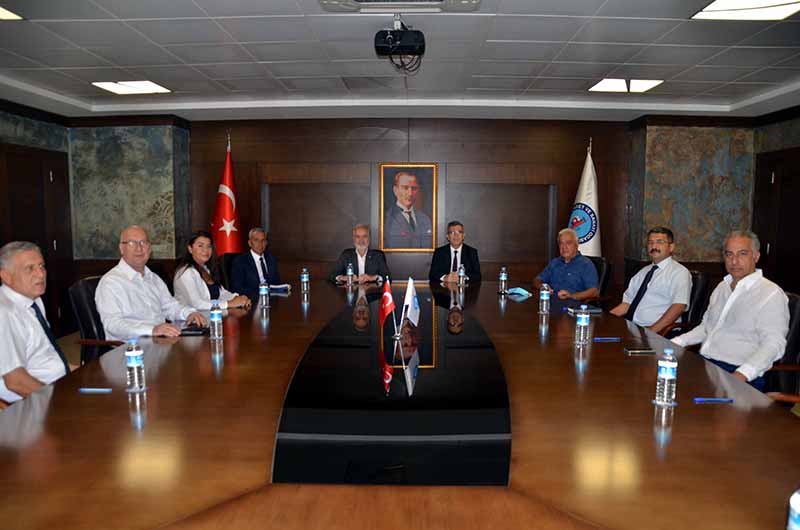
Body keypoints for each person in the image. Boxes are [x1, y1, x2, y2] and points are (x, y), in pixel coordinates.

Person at [671, 230, 789, 391]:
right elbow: (706, 328)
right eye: (729, 254)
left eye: (742, 254)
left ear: (756, 257)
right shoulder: (722, 287)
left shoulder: (771, 293)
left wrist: (741, 374)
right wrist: (673, 344)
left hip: (740, 374)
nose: (734, 261)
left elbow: (774, 344)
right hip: (707, 365)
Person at [95, 225, 207, 341]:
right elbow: (113, 325)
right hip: (130, 347)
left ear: (149, 248)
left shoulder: (153, 278)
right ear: (121, 248)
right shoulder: (110, 282)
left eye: (143, 242)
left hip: (160, 342)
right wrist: (152, 330)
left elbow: (170, 306)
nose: (139, 248)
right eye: (132, 243)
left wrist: (189, 313)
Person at [0, 241, 74, 404]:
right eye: (30, 268)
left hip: (57, 384)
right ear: (6, 276)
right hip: (31, 402)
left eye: (41, 266)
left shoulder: (34, 301)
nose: (41, 274)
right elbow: (16, 382)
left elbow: (43, 356)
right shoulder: (5, 313)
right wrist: (60, 402)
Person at [609, 227, 692, 333]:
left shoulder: (679, 272)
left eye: (659, 242)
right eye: (650, 242)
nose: (654, 246)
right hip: (633, 328)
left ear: (671, 247)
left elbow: (678, 307)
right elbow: (627, 304)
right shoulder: (643, 272)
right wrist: (605, 319)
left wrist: (651, 332)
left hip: (660, 332)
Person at [173, 231, 250, 310]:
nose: (205, 250)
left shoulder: (206, 269)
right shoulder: (186, 272)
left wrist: (237, 298)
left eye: (209, 246)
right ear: (190, 249)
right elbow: (197, 304)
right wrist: (229, 304)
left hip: (210, 315)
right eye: (200, 246)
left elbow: (221, 293)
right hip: (191, 316)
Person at [534, 228, 598, 301]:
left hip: (573, 304)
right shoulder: (554, 263)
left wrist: (572, 296)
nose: (564, 247)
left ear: (576, 245)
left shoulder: (586, 264)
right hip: (551, 302)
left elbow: (594, 292)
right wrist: (542, 287)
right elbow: (537, 280)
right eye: (561, 243)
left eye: (568, 243)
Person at [384, 171, 434, 248]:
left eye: (414, 188)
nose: (410, 193)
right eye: (405, 188)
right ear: (395, 190)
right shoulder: (385, 219)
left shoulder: (425, 219)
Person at [230, 228, 281, 299]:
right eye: (256, 240)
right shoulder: (240, 261)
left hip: (271, 299)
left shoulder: (271, 259)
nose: (260, 244)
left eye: (263, 240)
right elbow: (237, 288)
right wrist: (261, 292)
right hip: (251, 300)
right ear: (249, 243)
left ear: (266, 243)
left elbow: (277, 283)